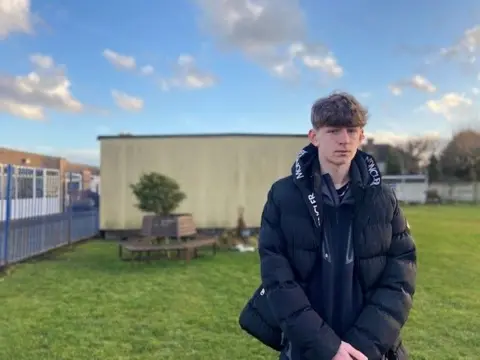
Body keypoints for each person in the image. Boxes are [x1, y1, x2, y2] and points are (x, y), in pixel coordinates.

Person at [238, 92, 417, 360]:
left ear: (362, 136)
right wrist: (327, 347)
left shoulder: (383, 198)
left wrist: (360, 347)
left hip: (369, 351)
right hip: (307, 348)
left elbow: (400, 278)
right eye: (333, 130)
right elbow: (277, 278)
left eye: (351, 130)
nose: (344, 139)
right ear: (314, 136)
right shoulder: (283, 196)